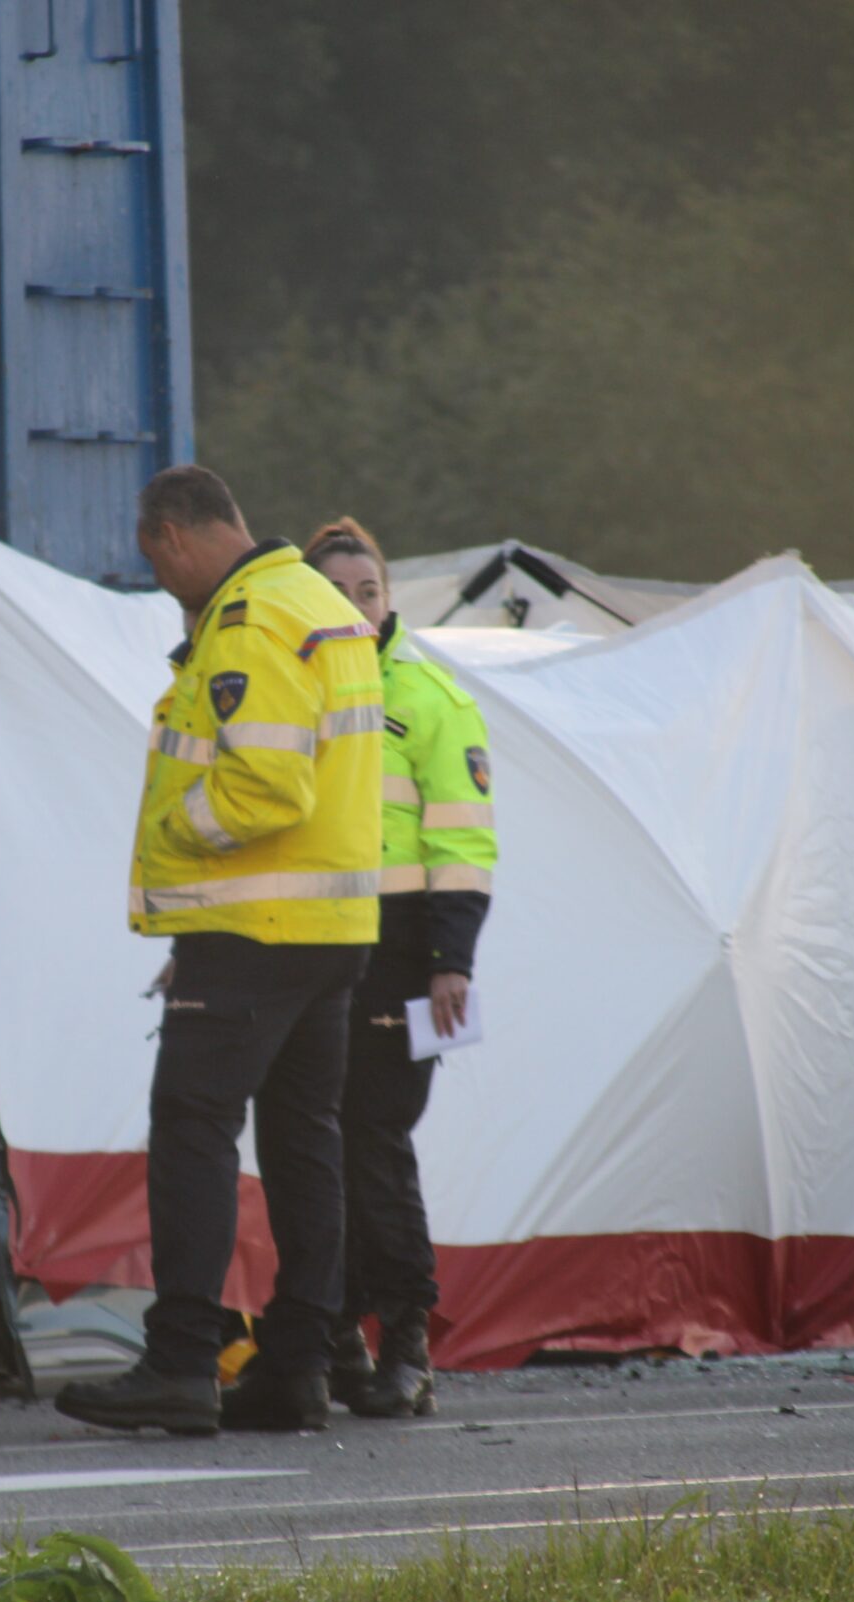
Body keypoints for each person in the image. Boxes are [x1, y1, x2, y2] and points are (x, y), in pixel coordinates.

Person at [54, 466, 386, 1435]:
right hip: (330, 928)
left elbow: (264, 790)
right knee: (302, 1148)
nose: (158, 577)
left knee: (192, 1135)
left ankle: (181, 1362)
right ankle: (298, 1365)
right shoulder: (321, 606)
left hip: (251, 928)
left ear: (171, 535)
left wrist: (173, 833)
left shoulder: (249, 625)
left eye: (153, 558)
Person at [302, 518, 497, 1418]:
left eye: (367, 591)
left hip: (399, 952)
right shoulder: (286, 689)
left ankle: (407, 1345)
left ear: (389, 599)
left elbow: (463, 842)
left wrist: (450, 962)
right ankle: (336, 1337)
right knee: (311, 1147)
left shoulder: (429, 696)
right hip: (302, 948)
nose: (354, 606)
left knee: (375, 1143)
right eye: (336, 592)